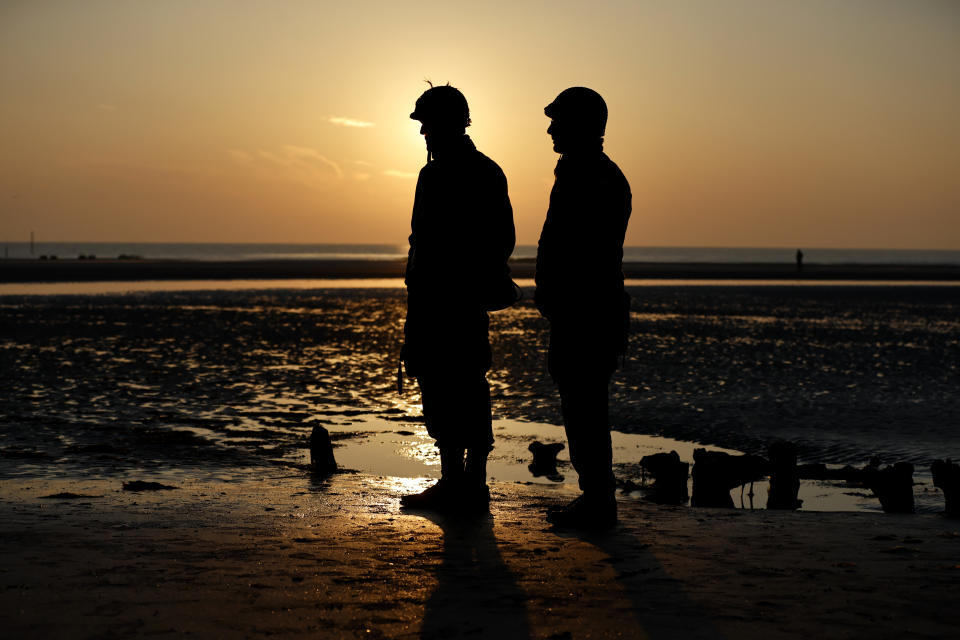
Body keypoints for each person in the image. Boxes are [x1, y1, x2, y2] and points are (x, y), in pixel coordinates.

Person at [399, 84, 516, 512]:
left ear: (451, 124)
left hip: (458, 302)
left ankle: (471, 484)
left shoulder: (480, 172)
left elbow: (500, 240)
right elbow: (420, 239)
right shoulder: (439, 173)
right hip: (432, 300)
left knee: (463, 383)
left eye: (428, 123)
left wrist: (460, 277)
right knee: (439, 384)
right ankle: (457, 483)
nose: (424, 132)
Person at [535, 87, 632, 529]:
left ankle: (597, 500)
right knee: (581, 405)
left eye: (559, 120)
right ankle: (595, 497)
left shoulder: (592, 176)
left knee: (586, 407)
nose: (551, 128)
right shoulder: (584, 172)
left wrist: (558, 294)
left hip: (587, 314)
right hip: (581, 311)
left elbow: (584, 253)